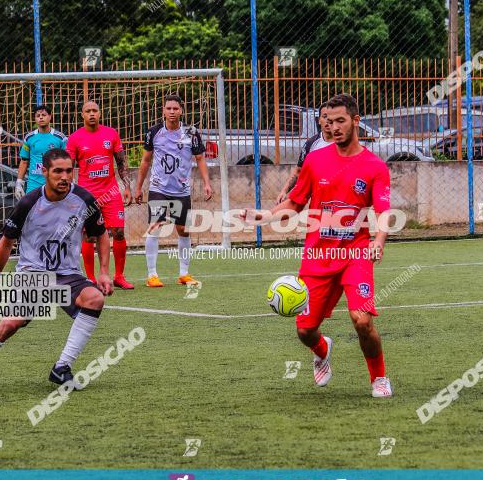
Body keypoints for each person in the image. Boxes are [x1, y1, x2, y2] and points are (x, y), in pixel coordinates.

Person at [241, 93, 393, 398]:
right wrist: (265, 216)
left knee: (362, 320)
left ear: (355, 121)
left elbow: (384, 211)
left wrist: (378, 240)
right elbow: (295, 204)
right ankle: (322, 351)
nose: (334, 127)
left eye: (340, 121)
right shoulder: (315, 160)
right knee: (305, 330)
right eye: (329, 121)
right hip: (317, 257)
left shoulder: (375, 166)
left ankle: (379, 379)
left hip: (356, 254)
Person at [0, 148, 114, 394]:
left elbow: (101, 235)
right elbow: (6, 243)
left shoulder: (85, 200)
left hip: (67, 274)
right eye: (58, 171)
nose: (64, 177)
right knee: (11, 324)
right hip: (33, 274)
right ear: (44, 172)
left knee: (94, 299)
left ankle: (62, 367)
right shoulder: (28, 202)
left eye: (69, 171)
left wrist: (103, 271)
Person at [133, 94, 213, 288]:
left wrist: (207, 183)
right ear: (163, 111)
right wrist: (138, 187)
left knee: (183, 230)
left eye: (175, 109)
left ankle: (184, 273)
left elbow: (200, 158)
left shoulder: (191, 132)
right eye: (168, 108)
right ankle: (152, 275)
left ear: (181, 111)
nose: (172, 112)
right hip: (159, 188)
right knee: (155, 227)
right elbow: (145, 161)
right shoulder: (154, 132)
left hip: (181, 190)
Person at [67, 101, 134, 289]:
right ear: (82, 115)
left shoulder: (111, 134)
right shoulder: (75, 138)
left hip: (111, 192)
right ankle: (90, 278)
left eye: (95, 110)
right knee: (89, 236)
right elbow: (69, 167)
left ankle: (119, 276)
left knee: (118, 232)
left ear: (100, 113)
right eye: (87, 111)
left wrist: (127, 187)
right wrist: (70, 193)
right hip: (87, 195)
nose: (91, 114)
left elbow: (121, 162)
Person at [276, 104, 334, 203]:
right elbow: (299, 171)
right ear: (319, 120)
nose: (328, 120)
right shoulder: (311, 144)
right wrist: (284, 191)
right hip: (318, 202)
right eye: (325, 116)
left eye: (332, 117)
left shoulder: (344, 145)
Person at [15, 104, 67, 197]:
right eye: (38, 116)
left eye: (44, 115)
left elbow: (67, 161)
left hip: (55, 184)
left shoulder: (60, 138)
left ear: (50, 117)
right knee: (33, 211)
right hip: (33, 185)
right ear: (35, 119)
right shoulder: (29, 138)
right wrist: (19, 183)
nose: (41, 118)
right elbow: (24, 161)